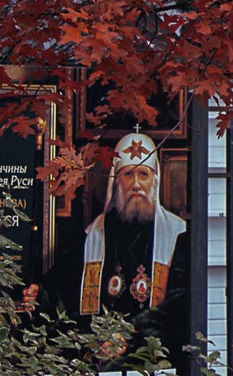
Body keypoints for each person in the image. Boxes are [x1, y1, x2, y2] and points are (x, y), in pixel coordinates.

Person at [64, 132, 190, 349]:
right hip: (102, 349)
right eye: (128, 174)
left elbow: (180, 303)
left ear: (155, 181)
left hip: (153, 351)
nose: (136, 184)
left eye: (143, 174)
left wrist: (133, 338)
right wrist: (42, 293)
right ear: (115, 181)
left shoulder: (178, 234)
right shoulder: (94, 233)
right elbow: (65, 285)